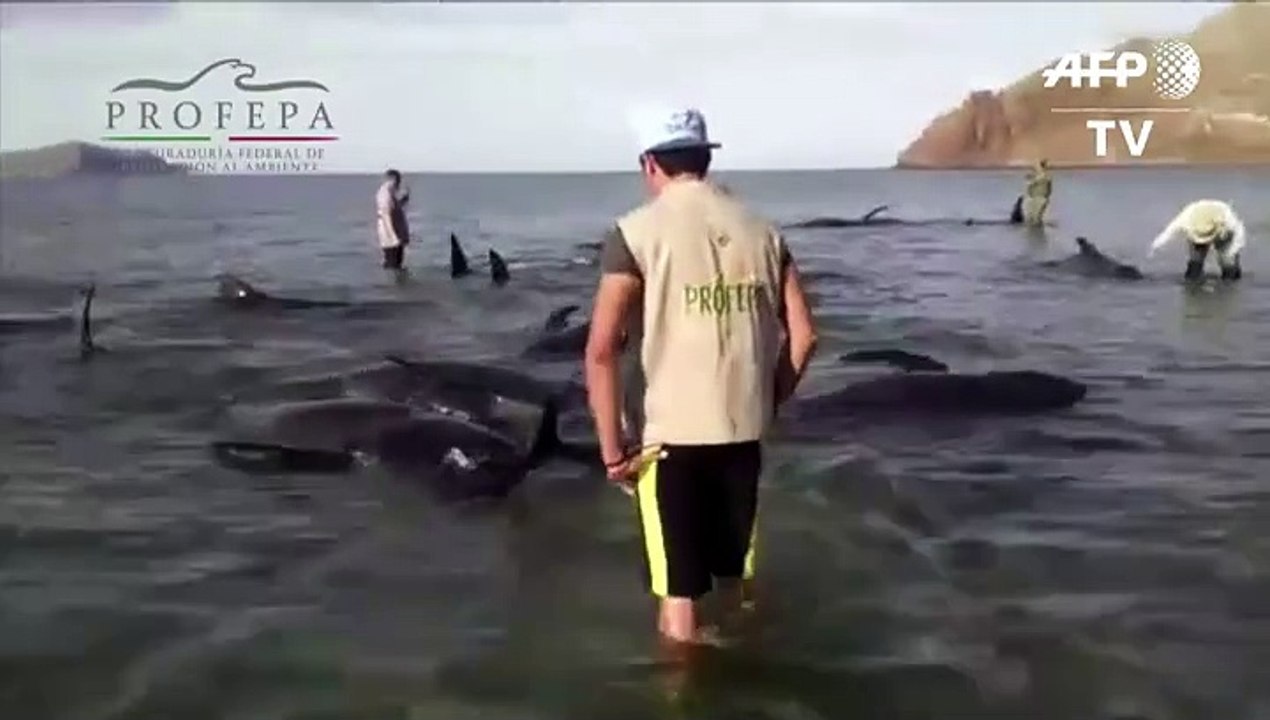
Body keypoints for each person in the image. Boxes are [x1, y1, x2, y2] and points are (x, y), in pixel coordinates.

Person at [583, 108, 819, 645]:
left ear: (649, 164)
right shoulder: (763, 231)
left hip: (669, 443)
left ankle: (684, 697)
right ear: (706, 158)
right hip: (743, 434)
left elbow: (599, 351)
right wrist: (767, 400)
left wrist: (612, 453)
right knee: (735, 577)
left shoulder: (633, 233)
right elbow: (804, 338)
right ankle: (749, 673)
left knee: (679, 596)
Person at [1148, 199, 1247, 281]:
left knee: (1228, 265)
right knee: (1195, 263)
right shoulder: (1186, 218)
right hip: (1198, 228)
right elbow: (1168, 233)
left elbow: (1239, 237)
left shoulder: (1228, 220)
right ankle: (1193, 286)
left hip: (1222, 232)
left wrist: (1231, 253)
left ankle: (1230, 287)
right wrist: (1153, 249)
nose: (1205, 242)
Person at [375, 169, 411, 269]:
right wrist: (393, 238)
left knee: (397, 265)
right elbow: (386, 215)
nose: (399, 185)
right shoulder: (385, 193)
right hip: (391, 240)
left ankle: (397, 284)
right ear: (394, 180)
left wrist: (403, 200)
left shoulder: (389, 193)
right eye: (399, 181)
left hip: (396, 237)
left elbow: (393, 209)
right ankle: (390, 284)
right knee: (392, 266)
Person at [1019, 159, 1052, 227]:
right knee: (1031, 219)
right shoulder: (1040, 176)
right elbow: (1030, 186)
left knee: (1035, 220)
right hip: (1034, 198)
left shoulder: (1044, 176)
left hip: (1040, 198)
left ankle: (1037, 234)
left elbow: (1048, 188)